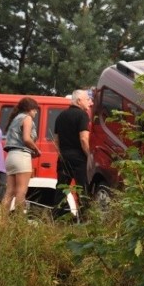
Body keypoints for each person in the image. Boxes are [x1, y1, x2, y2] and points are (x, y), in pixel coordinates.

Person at [53, 89, 93, 218]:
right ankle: (84, 217)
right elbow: (83, 138)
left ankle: (57, 216)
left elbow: (56, 140)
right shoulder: (83, 115)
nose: (90, 103)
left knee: (61, 187)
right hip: (79, 157)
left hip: (64, 156)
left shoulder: (61, 116)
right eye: (87, 99)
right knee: (82, 187)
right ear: (79, 101)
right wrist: (89, 156)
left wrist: (61, 154)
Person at [1, 97, 41, 214]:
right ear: (29, 109)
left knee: (9, 191)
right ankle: (19, 221)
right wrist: (36, 150)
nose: (36, 112)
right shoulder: (27, 118)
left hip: (10, 156)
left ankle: (1, 221)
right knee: (21, 192)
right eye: (34, 109)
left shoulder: (15, 119)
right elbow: (26, 139)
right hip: (21, 156)